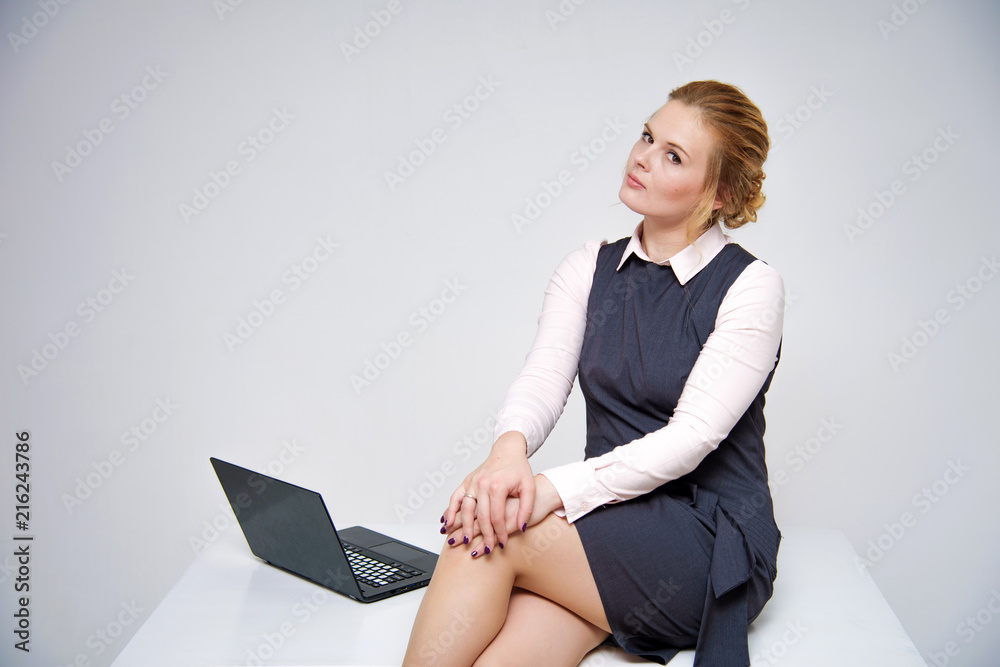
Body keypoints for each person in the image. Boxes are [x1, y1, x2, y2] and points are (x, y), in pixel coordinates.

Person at [403, 80, 785, 667]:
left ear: (720, 192)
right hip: (609, 522)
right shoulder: (588, 267)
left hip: (707, 537)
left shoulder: (749, 287)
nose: (642, 157)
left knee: (487, 532)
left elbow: (692, 439)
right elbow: (543, 378)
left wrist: (545, 493)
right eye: (648, 135)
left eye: (673, 156)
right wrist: (506, 455)